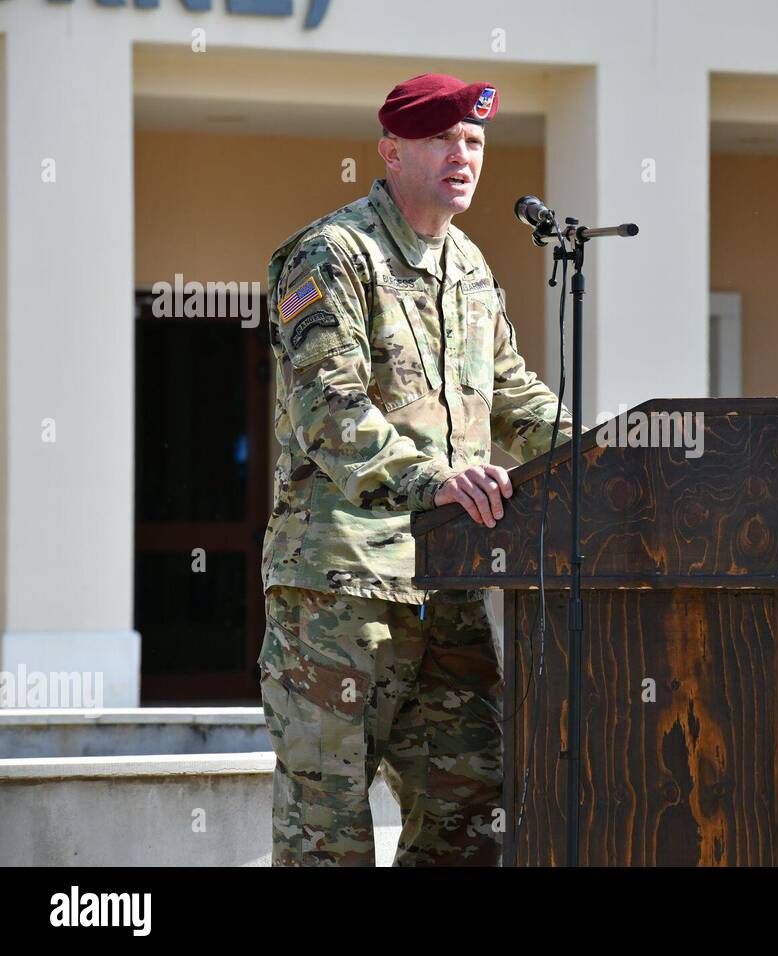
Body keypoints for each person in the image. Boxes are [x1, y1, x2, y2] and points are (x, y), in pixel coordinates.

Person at [258, 73, 572, 866]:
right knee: (327, 834)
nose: (462, 156)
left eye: (473, 142)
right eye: (442, 140)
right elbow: (330, 410)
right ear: (391, 152)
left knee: (477, 816)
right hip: (343, 591)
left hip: (449, 589)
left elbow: (515, 398)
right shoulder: (331, 255)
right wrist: (434, 480)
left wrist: (609, 457)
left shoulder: (468, 266)